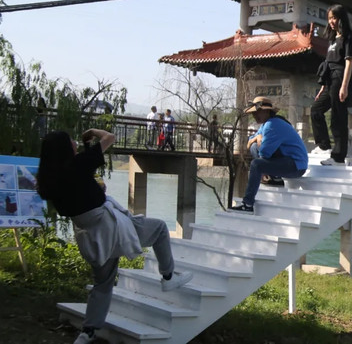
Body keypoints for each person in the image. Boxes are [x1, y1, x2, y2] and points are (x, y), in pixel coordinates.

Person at [36, 128, 192, 344]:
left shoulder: (49, 180)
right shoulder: (79, 164)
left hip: (89, 236)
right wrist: (92, 132)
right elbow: (110, 138)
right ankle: (168, 277)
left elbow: (81, 192)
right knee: (159, 229)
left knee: (103, 283)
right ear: (64, 147)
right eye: (70, 140)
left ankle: (88, 331)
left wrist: (94, 184)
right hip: (110, 227)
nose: (74, 142)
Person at [230, 97, 308, 214]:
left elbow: (264, 153)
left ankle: (248, 204)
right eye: (253, 113)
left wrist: (257, 139)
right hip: (287, 160)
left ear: (267, 111)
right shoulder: (266, 124)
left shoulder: (272, 125)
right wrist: (257, 137)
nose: (255, 115)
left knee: (256, 164)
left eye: (257, 112)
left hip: (296, 165)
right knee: (254, 147)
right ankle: (274, 178)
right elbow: (250, 142)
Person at [310, 4, 352, 166]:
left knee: (338, 117)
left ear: (341, 18)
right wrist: (323, 86)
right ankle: (323, 145)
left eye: (334, 18)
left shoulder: (348, 37)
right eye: (329, 18)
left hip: (339, 77)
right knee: (316, 109)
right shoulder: (332, 38)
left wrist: (344, 86)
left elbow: (349, 63)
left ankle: (338, 157)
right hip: (329, 79)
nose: (331, 21)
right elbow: (327, 63)